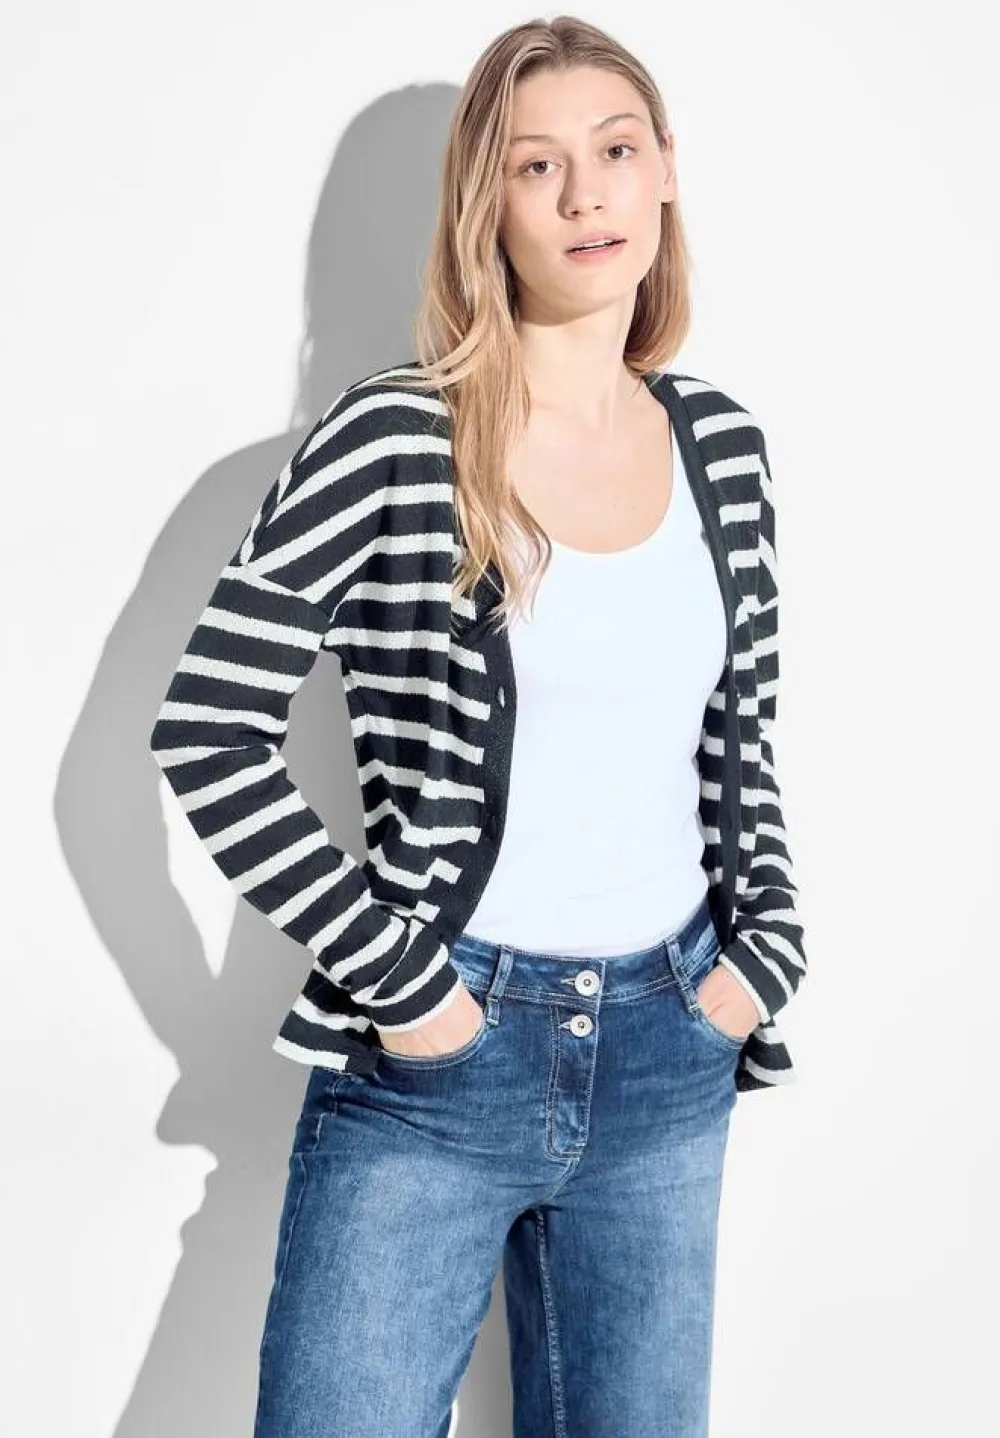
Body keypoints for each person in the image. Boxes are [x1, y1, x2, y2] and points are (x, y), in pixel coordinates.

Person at [149, 14, 807, 1437]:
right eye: (536, 165)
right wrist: (402, 982)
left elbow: (738, 733)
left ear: (666, 170)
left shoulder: (723, 445)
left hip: (673, 1053)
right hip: (437, 1062)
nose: (585, 196)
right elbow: (206, 728)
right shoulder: (394, 438)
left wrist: (763, 956)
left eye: (615, 151)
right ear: (485, 204)